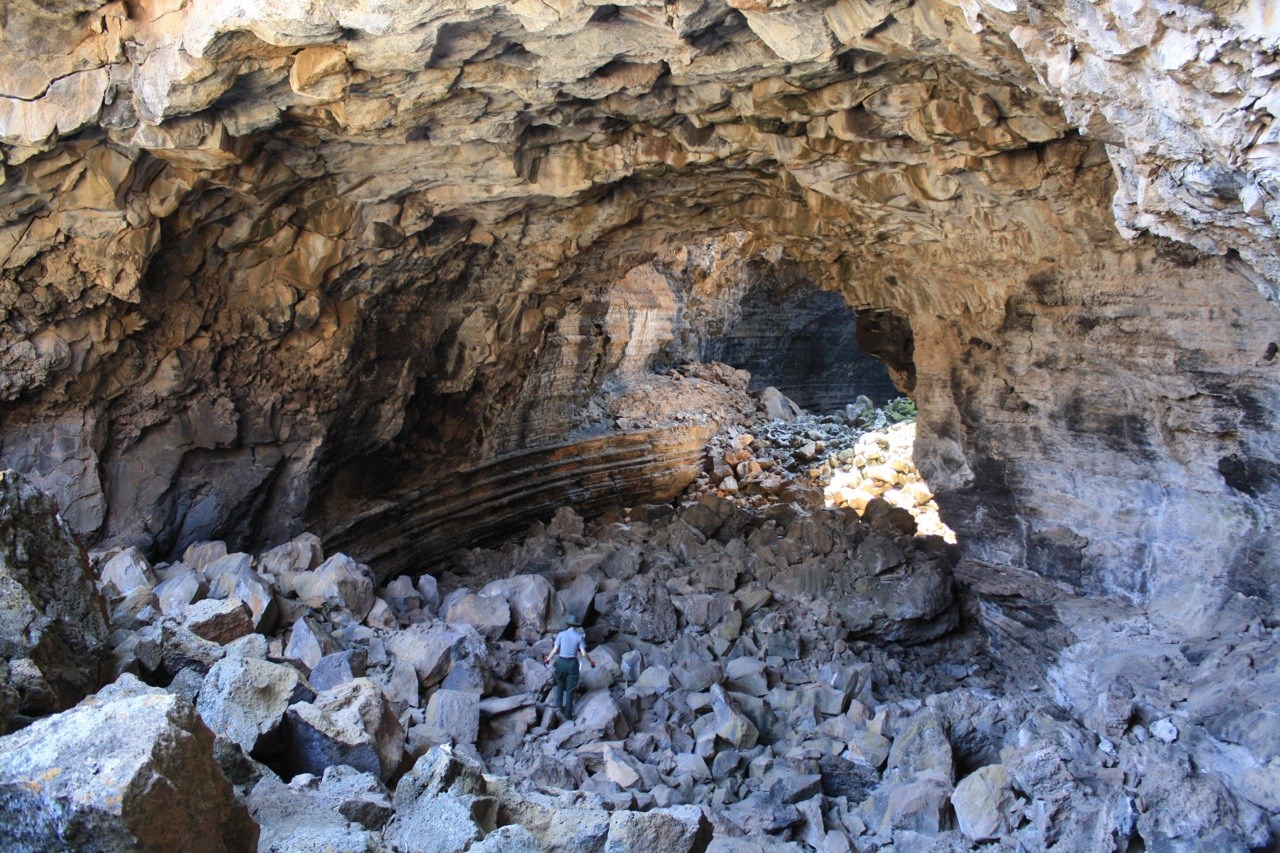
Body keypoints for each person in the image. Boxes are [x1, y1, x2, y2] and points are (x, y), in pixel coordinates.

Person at [544, 614, 595, 720]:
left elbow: (555, 650)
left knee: (560, 685)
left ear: (568, 624)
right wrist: (591, 662)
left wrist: (548, 658)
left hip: (561, 662)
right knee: (570, 690)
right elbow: (584, 653)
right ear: (576, 626)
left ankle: (558, 708)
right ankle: (567, 715)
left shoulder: (561, 634)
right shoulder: (579, 636)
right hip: (572, 664)